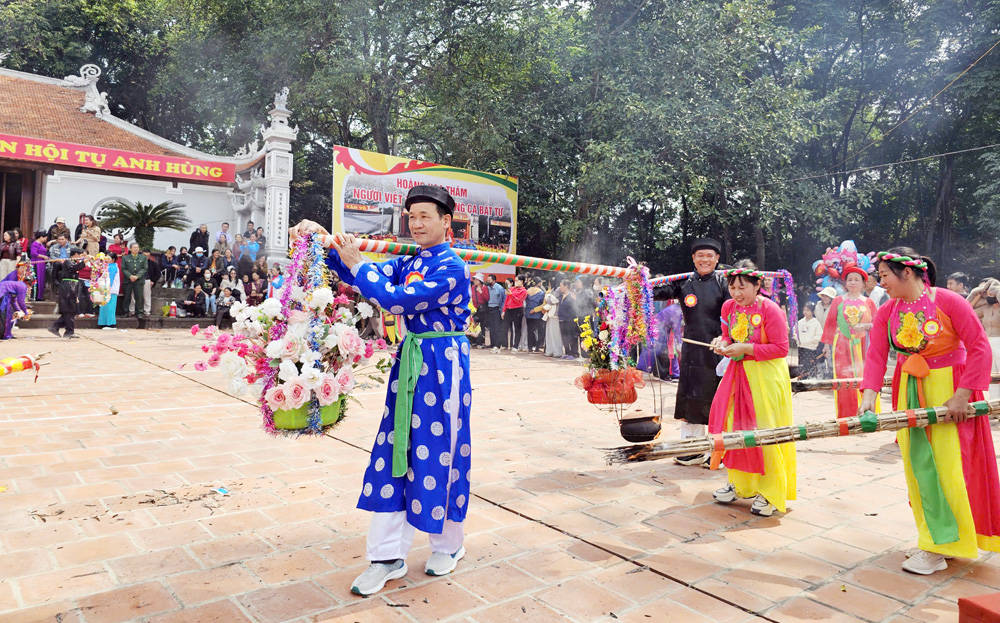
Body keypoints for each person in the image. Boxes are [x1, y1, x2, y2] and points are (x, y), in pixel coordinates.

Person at [289, 183, 473, 596]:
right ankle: (387, 556)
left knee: (441, 450)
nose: (417, 223)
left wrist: (359, 264)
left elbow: (395, 300)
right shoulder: (408, 261)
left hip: (444, 366)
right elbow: (355, 274)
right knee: (397, 449)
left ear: (446, 222)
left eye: (426, 216)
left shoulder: (453, 268)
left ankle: (448, 544)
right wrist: (322, 237)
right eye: (412, 216)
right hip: (411, 362)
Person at [858, 247, 1000, 575]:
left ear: (907, 272)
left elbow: (979, 347)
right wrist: (868, 395)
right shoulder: (888, 310)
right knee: (918, 466)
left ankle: (942, 545)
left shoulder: (949, 301)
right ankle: (935, 536)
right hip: (910, 389)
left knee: (950, 466)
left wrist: (962, 395)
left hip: (950, 390)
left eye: (884, 275)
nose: (880, 282)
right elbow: (876, 354)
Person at [709, 262, 795, 517]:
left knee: (765, 429)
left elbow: (781, 348)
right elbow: (727, 335)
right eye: (733, 288)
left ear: (757, 286)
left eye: (742, 288)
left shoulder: (770, 309)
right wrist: (721, 343)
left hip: (765, 377)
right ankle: (740, 484)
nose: (737, 293)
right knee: (734, 427)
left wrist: (746, 348)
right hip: (737, 374)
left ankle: (770, 492)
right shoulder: (728, 307)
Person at [651, 238, 730, 465]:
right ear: (693, 258)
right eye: (700, 255)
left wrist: (725, 338)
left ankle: (718, 452)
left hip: (719, 349)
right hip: (692, 349)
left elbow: (733, 313)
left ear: (717, 258)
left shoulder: (725, 283)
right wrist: (638, 282)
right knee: (691, 398)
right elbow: (657, 292)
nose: (705, 260)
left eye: (709, 256)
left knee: (717, 400)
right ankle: (692, 449)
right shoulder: (683, 282)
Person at [820, 265, 879, 418]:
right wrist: (826, 345)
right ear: (845, 283)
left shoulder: (869, 302)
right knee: (843, 379)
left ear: (863, 283)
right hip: (842, 344)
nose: (853, 282)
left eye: (856, 280)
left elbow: (878, 325)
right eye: (850, 280)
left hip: (864, 344)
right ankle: (846, 415)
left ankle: (866, 412)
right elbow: (830, 323)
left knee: (865, 376)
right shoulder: (838, 301)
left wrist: (866, 326)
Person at [968, 278, 1000, 399]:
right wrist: (977, 294)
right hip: (987, 342)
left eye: (992, 294)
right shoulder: (986, 308)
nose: (989, 296)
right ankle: (995, 402)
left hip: (999, 341)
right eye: (988, 294)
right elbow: (968, 310)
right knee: (991, 374)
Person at [49, 247, 85, 338]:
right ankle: (68, 331)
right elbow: (74, 268)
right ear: (75, 255)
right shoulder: (68, 262)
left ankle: (56, 326)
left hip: (73, 286)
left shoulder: (74, 262)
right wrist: (85, 261)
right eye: (80, 255)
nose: (81, 257)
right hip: (68, 287)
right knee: (69, 309)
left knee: (71, 310)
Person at [795, 302, 823, 379]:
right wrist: (797, 340)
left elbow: (819, 335)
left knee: (810, 365)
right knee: (801, 365)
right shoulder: (800, 322)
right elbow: (795, 332)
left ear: (812, 312)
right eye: (804, 310)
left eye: (808, 310)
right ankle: (801, 380)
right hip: (801, 346)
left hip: (810, 348)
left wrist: (811, 341)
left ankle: (810, 381)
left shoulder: (816, 323)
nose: (805, 312)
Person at [121, 243, 147, 321]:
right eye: (134, 247)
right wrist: (130, 276)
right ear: (130, 249)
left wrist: (137, 276)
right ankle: (125, 312)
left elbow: (145, 268)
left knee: (139, 297)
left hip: (138, 280)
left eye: (137, 247)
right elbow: (123, 269)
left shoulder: (143, 258)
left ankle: (139, 312)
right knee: (127, 297)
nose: (136, 249)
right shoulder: (125, 258)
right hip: (128, 280)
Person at [501, 275, 527, 352]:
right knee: (504, 327)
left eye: (516, 280)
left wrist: (511, 294)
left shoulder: (524, 291)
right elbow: (506, 300)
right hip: (509, 309)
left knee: (517, 328)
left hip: (517, 310)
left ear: (521, 281)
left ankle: (515, 346)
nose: (515, 282)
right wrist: (504, 310)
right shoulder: (512, 289)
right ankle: (503, 344)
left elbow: (519, 300)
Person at [97, 252, 120, 329]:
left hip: (111, 289)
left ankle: (111, 323)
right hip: (105, 288)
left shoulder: (113, 267)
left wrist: (108, 288)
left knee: (110, 307)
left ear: (113, 259)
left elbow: (111, 278)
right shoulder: (106, 266)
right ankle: (103, 322)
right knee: (104, 306)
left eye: (108, 258)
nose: (106, 259)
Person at [542, 280, 563, 357]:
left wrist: (548, 296)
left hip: (555, 314)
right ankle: (550, 350)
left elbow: (550, 300)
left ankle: (557, 352)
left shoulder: (558, 289)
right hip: (550, 314)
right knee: (549, 334)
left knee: (555, 334)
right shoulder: (553, 290)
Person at [525, 278, 546, 353]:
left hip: (528, 314)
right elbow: (542, 303)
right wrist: (535, 310)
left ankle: (530, 347)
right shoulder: (541, 292)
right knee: (541, 331)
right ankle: (537, 347)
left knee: (530, 331)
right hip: (537, 314)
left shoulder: (527, 291)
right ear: (539, 283)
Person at [485, 274, 505, 351]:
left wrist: (502, 310)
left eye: (489, 280)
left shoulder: (499, 288)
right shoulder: (487, 288)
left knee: (497, 327)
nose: (488, 281)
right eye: (487, 280)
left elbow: (503, 299)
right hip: (489, 308)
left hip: (496, 309)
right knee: (491, 327)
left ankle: (497, 344)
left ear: (494, 281)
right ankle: (492, 343)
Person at [30, 231, 48, 301]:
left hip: (42, 264)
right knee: (37, 279)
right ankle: (35, 296)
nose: (46, 239)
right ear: (41, 237)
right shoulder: (35, 244)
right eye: (45, 238)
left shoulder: (41, 244)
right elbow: (33, 253)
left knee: (41, 279)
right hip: (37, 263)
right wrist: (44, 257)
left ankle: (40, 296)